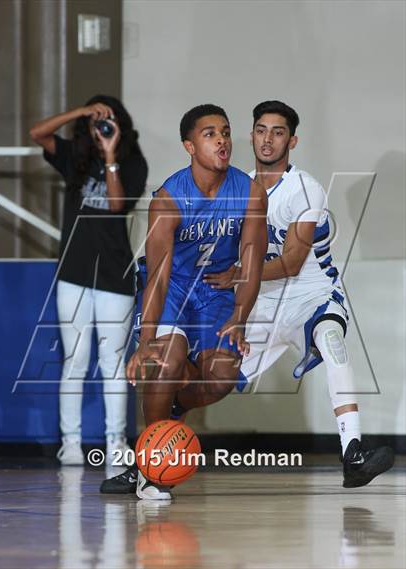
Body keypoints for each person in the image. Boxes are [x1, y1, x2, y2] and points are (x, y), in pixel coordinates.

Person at [204, 100, 394, 488]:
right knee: (213, 379)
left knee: (332, 340)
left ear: (292, 140)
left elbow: (291, 263)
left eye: (277, 132)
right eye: (260, 130)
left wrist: (237, 275)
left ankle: (353, 451)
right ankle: (150, 459)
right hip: (262, 301)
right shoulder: (236, 188)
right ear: (252, 135)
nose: (267, 138)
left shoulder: (304, 188)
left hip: (312, 294)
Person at [100, 104, 267, 499]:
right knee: (164, 362)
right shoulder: (169, 197)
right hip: (173, 288)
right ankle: (149, 470)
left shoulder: (250, 191)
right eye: (210, 134)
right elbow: (157, 276)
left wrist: (240, 316)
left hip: (213, 292)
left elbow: (252, 264)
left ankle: (171, 412)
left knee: (223, 377)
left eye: (225, 132)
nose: (222, 140)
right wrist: (145, 342)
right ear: (189, 146)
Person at [30, 95, 148, 465]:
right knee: (75, 360)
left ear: (120, 123)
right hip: (74, 275)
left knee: (113, 362)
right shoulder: (74, 158)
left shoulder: (132, 162)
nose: (101, 125)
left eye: (107, 118)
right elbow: (37, 132)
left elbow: (117, 205)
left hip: (114, 275)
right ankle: (71, 443)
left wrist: (111, 157)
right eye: (95, 120)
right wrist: (80, 112)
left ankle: (116, 442)